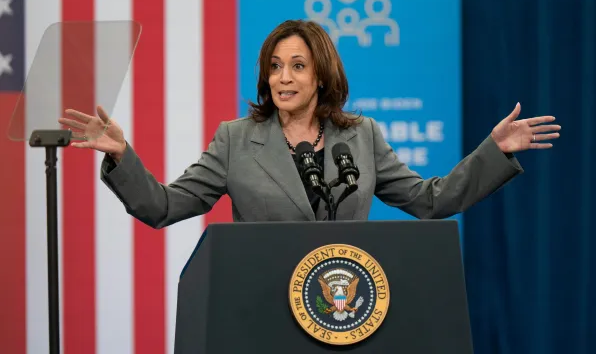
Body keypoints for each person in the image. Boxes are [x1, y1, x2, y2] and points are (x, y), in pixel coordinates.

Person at [58, 20, 560, 228]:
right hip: (262, 311)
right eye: (275, 66)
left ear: (321, 75)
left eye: (297, 66)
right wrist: (121, 155)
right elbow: (163, 207)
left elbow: (431, 201)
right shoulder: (235, 140)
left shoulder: (360, 135)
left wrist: (494, 150)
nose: (283, 77)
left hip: (347, 308)